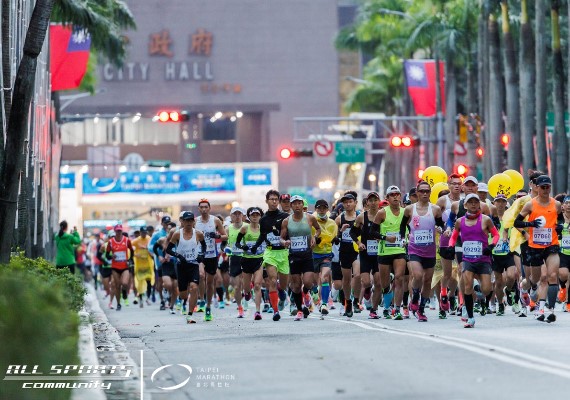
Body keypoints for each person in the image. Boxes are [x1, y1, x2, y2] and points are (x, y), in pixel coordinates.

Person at [514, 175, 563, 323]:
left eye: (548, 186)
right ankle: (525, 289)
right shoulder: (530, 205)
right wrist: (531, 224)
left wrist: (559, 227)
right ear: (537, 187)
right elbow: (517, 222)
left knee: (551, 276)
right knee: (535, 280)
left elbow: (559, 219)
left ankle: (548, 310)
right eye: (543, 187)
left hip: (551, 245)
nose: (546, 189)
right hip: (534, 247)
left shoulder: (556, 204)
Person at [449, 193, 500, 328]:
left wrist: (491, 246)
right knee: (467, 286)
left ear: (479, 204)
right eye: (470, 202)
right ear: (465, 205)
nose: (473, 204)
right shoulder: (460, 221)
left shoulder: (485, 220)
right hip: (467, 259)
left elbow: (496, 235)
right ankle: (470, 317)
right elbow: (453, 237)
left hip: (483, 259)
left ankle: (479, 291)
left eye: (475, 202)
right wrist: (450, 246)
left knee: (487, 289)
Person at [400, 181, 445, 322]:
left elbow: (441, 225)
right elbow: (402, 226)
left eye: (427, 191)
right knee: (418, 275)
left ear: (430, 193)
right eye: (422, 191)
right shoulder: (409, 209)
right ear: (417, 193)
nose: (425, 193)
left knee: (427, 280)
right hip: (414, 248)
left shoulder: (436, 209)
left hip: (430, 250)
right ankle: (414, 298)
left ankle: (421, 309)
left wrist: (440, 230)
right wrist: (402, 238)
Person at [251, 189, 291, 321]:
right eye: (271, 199)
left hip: (283, 252)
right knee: (272, 280)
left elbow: (289, 233)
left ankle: (282, 293)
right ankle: (275, 310)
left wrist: (287, 241)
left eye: (276, 199)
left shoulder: (285, 216)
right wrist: (256, 246)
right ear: (266, 201)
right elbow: (262, 236)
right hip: (270, 252)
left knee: (283, 284)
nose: (274, 202)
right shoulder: (263, 219)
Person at [280, 195, 321, 321]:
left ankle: (306, 293)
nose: (297, 206)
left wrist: (314, 237)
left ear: (302, 205)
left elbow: (318, 229)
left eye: (299, 203)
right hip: (294, 256)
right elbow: (281, 238)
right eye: (294, 203)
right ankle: (299, 310)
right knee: (296, 285)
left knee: (308, 282)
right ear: (291, 206)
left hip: (307, 254)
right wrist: (284, 242)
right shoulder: (287, 221)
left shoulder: (310, 217)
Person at [370, 186, 407, 320]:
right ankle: (385, 307)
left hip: (399, 250)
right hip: (385, 251)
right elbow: (372, 232)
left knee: (399, 278)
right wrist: (385, 238)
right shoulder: (382, 213)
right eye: (392, 195)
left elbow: (411, 228)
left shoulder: (405, 212)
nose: (395, 197)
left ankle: (397, 309)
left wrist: (406, 239)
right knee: (384, 284)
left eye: (397, 194)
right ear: (387, 198)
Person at [166, 211, 207, 324]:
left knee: (194, 287)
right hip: (181, 266)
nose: (188, 223)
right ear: (182, 221)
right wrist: (178, 255)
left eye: (190, 220)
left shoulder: (198, 234)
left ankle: (190, 315)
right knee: (184, 294)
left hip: (193, 265)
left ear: (193, 221)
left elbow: (204, 246)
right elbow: (168, 249)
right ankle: (183, 300)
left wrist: (201, 256)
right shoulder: (177, 234)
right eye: (186, 220)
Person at [195, 198, 228, 321]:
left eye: (206, 207)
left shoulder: (215, 220)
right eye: (201, 207)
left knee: (210, 282)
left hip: (212, 255)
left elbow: (225, 236)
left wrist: (217, 236)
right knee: (201, 275)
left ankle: (208, 306)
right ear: (199, 209)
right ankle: (202, 300)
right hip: (199, 254)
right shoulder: (194, 221)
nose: (204, 209)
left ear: (209, 208)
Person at [351, 192, 382, 315]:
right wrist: (359, 243)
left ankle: (374, 310)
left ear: (379, 201)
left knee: (379, 283)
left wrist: (382, 239)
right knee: (366, 282)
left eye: (375, 200)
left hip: (379, 254)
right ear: (367, 203)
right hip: (365, 253)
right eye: (371, 200)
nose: (373, 203)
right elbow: (353, 233)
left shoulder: (383, 216)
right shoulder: (361, 217)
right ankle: (367, 294)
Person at [236, 207, 266, 320]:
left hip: (259, 259)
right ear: (249, 216)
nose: (255, 216)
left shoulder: (263, 229)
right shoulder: (245, 228)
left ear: (260, 216)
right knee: (247, 287)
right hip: (246, 259)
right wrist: (243, 246)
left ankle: (258, 311)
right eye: (252, 215)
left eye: (257, 215)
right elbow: (237, 243)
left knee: (257, 285)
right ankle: (247, 293)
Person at [312, 199, 338, 316]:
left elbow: (332, 237)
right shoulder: (311, 221)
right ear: (316, 209)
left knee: (325, 278)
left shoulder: (332, 223)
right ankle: (313, 293)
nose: (321, 210)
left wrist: (334, 239)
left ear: (327, 209)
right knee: (311, 282)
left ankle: (324, 304)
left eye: (324, 208)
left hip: (326, 254)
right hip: (313, 255)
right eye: (319, 208)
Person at [105, 224, 134, 311]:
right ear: (115, 231)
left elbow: (131, 250)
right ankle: (118, 304)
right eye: (117, 231)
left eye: (120, 231)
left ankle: (124, 291)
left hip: (125, 266)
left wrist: (130, 259)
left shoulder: (126, 240)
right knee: (117, 286)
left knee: (124, 283)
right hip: (115, 266)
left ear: (122, 231)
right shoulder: (111, 242)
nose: (118, 232)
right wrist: (111, 256)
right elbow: (107, 255)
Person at [226, 207, 248, 317]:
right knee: (237, 286)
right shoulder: (228, 228)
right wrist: (225, 248)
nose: (238, 216)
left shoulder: (247, 227)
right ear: (231, 216)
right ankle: (240, 307)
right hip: (234, 258)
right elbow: (224, 243)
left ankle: (248, 293)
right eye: (235, 214)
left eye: (240, 214)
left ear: (243, 216)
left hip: (247, 257)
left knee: (246, 283)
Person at [131, 226, 155, 307]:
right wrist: (134, 254)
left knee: (148, 281)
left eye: (145, 232)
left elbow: (153, 247)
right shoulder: (136, 240)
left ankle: (148, 298)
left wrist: (149, 250)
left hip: (148, 264)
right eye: (143, 232)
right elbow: (129, 247)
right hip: (139, 265)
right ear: (140, 232)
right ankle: (141, 299)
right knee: (140, 283)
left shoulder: (149, 239)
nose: (144, 234)